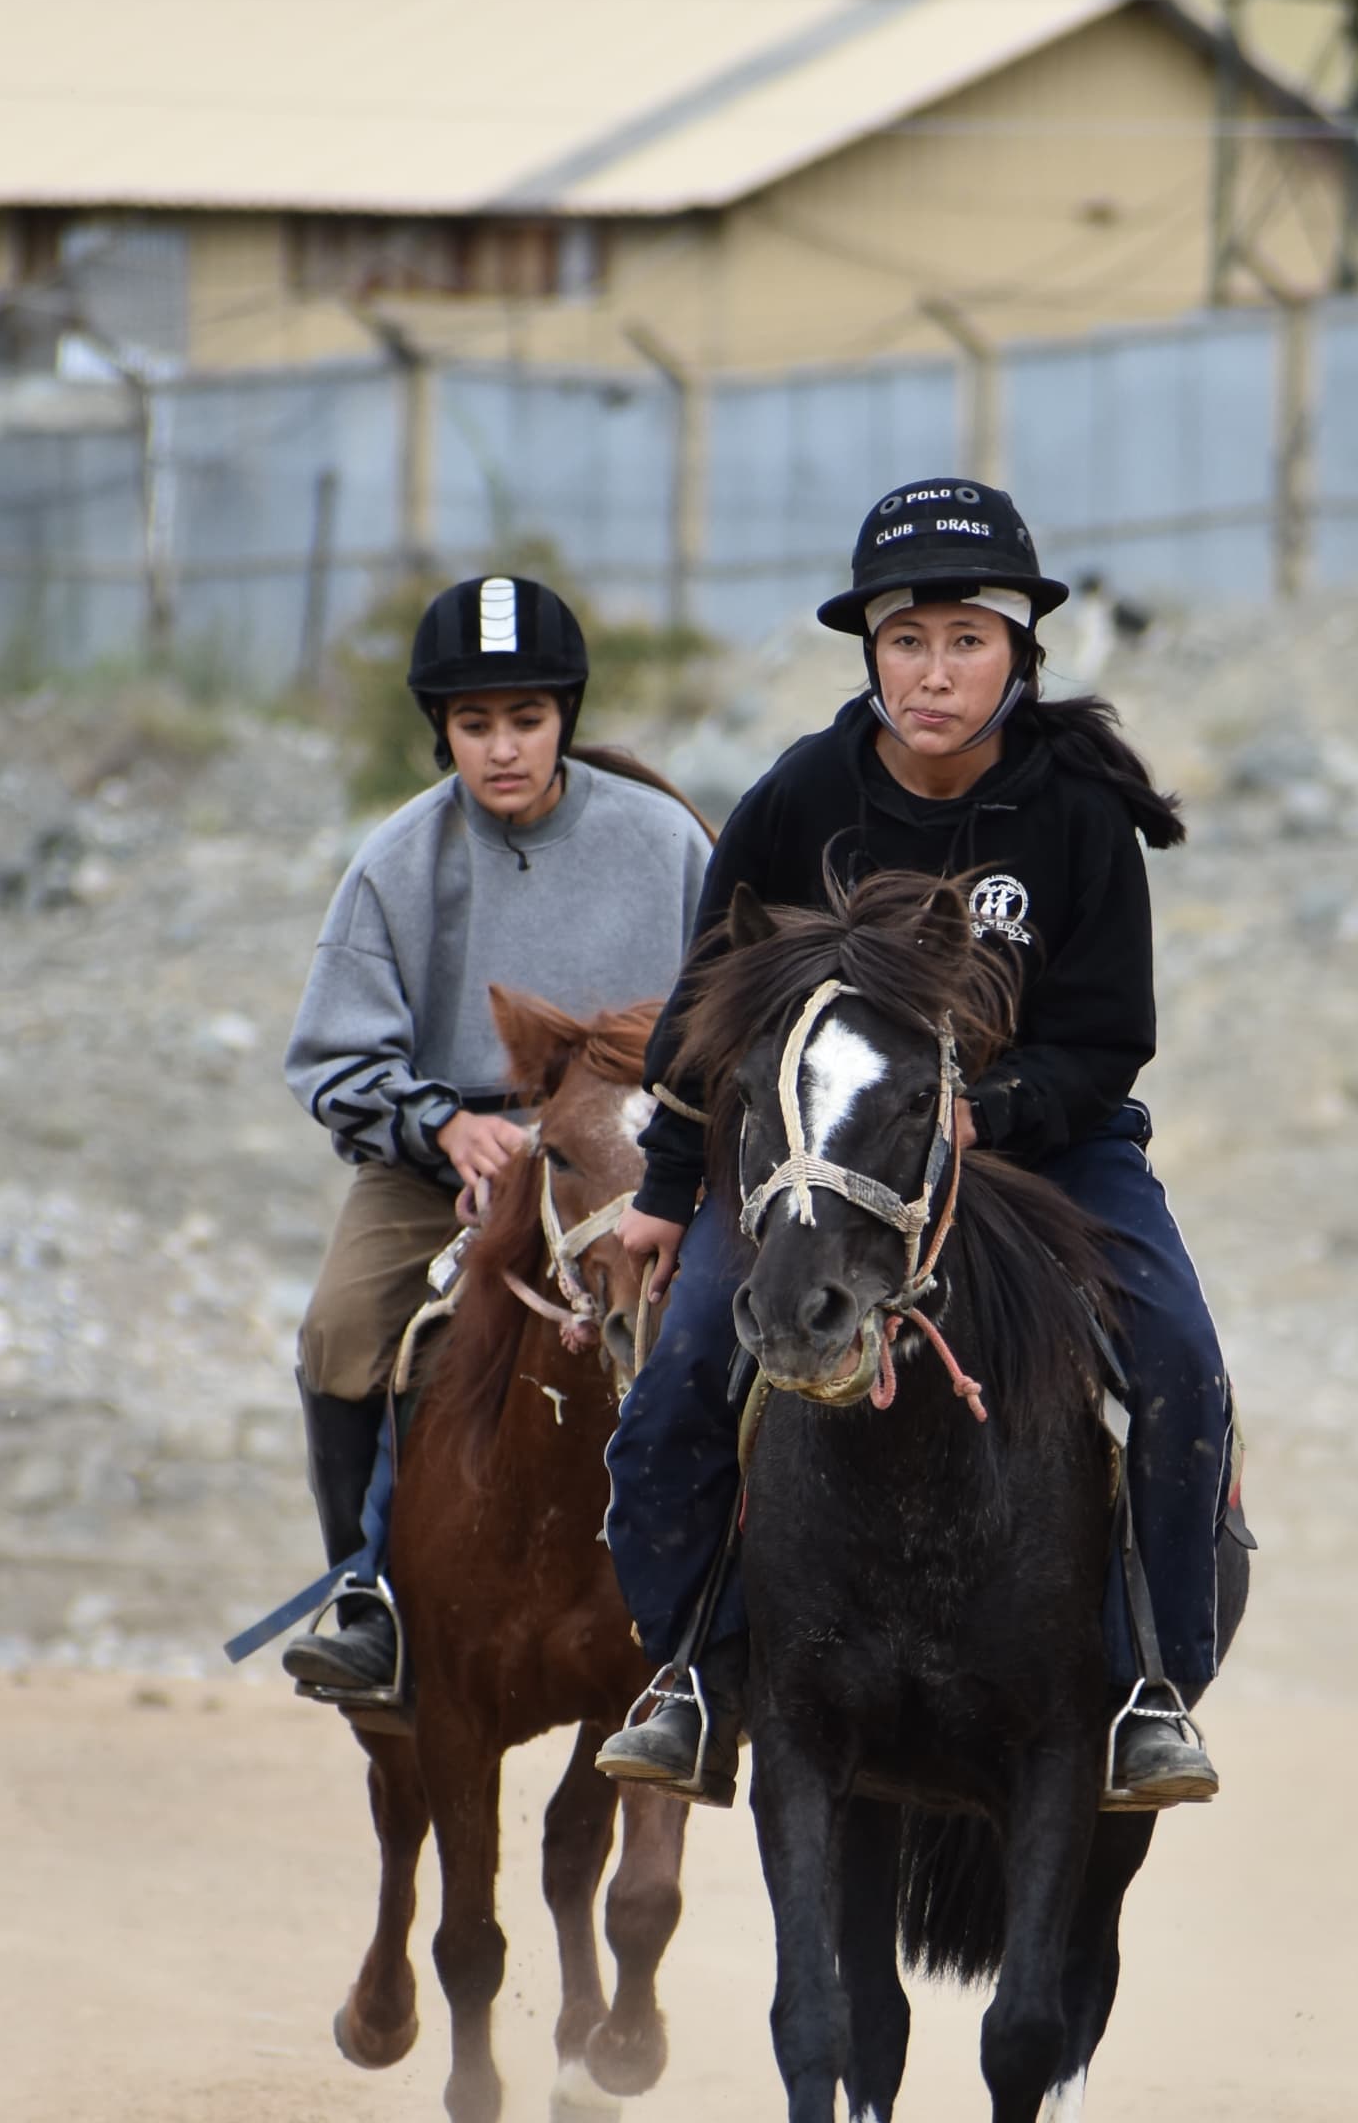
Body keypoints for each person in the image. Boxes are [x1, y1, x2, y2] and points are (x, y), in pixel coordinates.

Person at [594, 478, 1234, 1811]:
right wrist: (665, 1189)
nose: (933, 673)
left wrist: (982, 1116)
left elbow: (1109, 1037)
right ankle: (694, 1674)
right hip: (814, 1167)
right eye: (907, 642)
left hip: (1049, 1152)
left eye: (966, 641)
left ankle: (1147, 1689)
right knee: (678, 1386)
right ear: (870, 652)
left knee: (1178, 1361)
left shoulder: (1074, 812)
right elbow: (701, 1023)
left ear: (1019, 652)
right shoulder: (797, 800)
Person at [272, 574, 712, 1704]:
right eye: (474, 724)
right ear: (441, 732)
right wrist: (441, 1126)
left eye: (525, 718)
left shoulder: (666, 843)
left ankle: (740, 1596)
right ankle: (361, 1588)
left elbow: (727, 1017)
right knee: (336, 1331)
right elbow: (330, 1055)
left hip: (634, 1159)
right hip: (440, 1156)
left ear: (565, 715)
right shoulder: (395, 861)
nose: (502, 748)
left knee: (752, 1317)